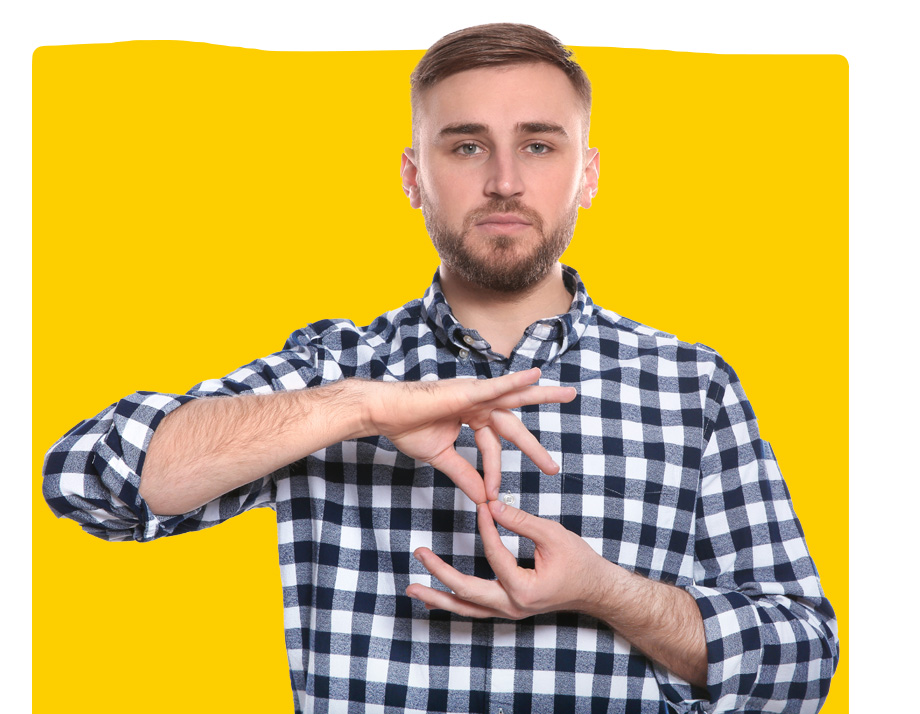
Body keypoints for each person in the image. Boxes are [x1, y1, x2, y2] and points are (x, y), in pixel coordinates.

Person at [43, 23, 838, 714]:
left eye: (538, 143)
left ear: (588, 174)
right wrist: (358, 408)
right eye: (465, 146)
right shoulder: (339, 369)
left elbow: (804, 663)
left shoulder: (689, 385)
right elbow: (87, 481)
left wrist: (608, 594)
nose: (503, 180)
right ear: (412, 176)